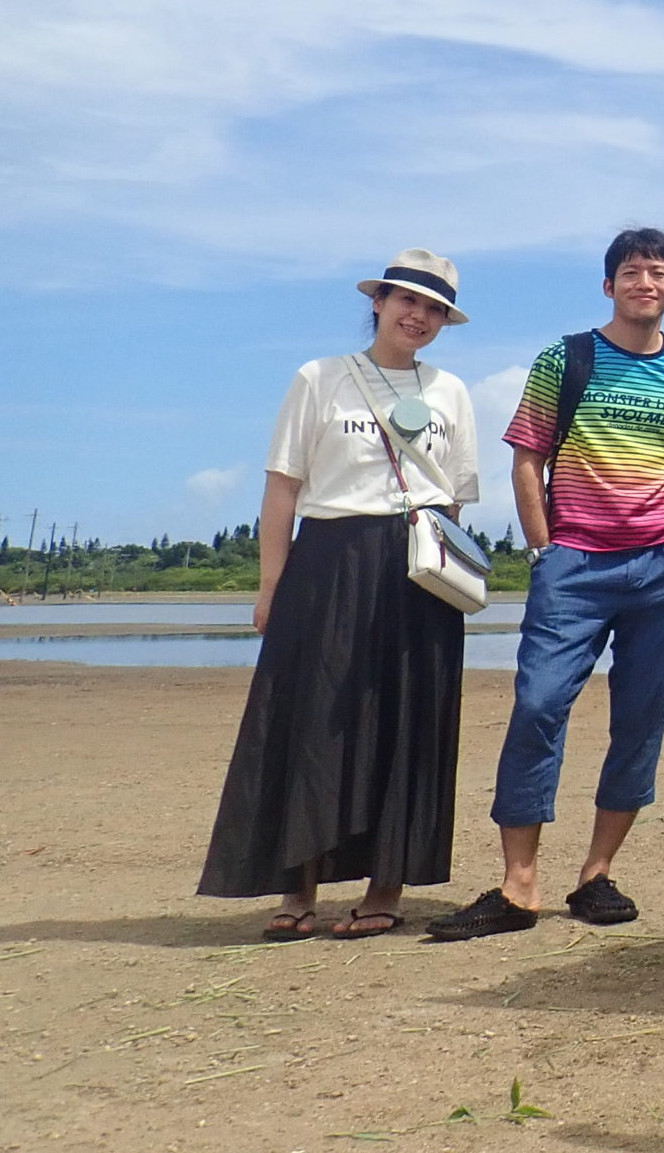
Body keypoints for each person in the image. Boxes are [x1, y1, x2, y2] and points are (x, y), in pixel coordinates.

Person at [427, 227, 664, 940]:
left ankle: (595, 874)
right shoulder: (568, 359)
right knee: (537, 706)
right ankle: (518, 885)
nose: (644, 284)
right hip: (576, 566)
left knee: (640, 720)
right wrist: (544, 549)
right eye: (631, 273)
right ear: (609, 287)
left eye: (658, 273)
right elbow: (527, 458)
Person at [199, 249, 481, 940]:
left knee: (408, 723)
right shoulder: (320, 378)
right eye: (407, 301)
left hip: (419, 571)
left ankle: (386, 888)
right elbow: (283, 489)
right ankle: (299, 889)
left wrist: (438, 565)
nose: (419, 316)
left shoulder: (451, 392)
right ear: (379, 302)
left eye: (434, 308)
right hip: (328, 561)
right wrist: (273, 583)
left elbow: (457, 498)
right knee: (313, 719)